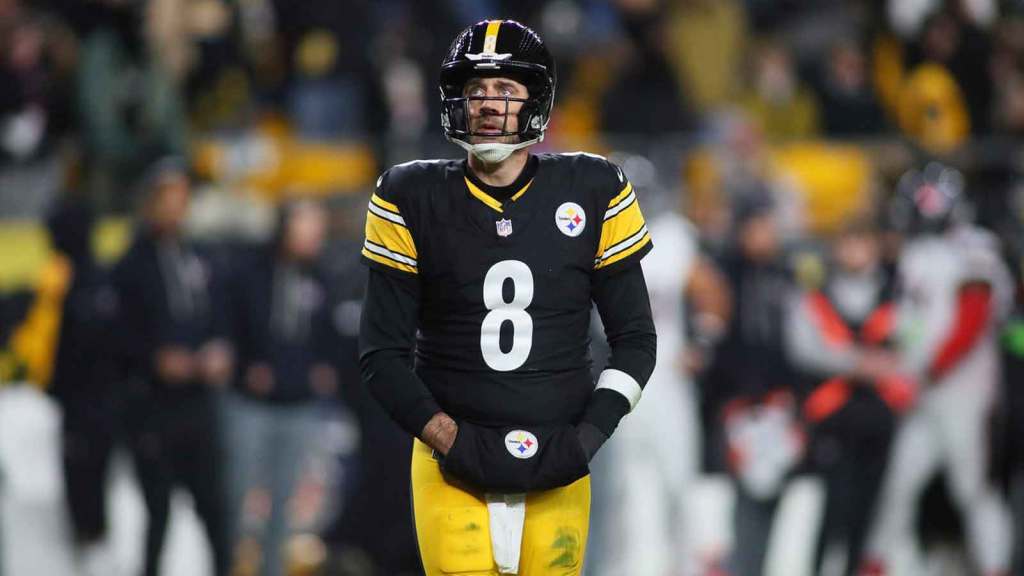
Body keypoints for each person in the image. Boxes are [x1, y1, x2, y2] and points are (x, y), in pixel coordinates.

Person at [358, 19, 656, 576]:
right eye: (476, 91)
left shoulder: (594, 188)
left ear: (536, 101)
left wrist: (586, 437)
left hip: (558, 454)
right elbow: (381, 355)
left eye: (505, 90)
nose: (489, 105)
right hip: (450, 458)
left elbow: (636, 340)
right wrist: (448, 437)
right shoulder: (409, 194)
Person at [861, 163, 1014, 576]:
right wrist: (894, 357)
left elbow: (972, 317)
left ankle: (995, 567)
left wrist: (927, 371)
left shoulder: (973, 246)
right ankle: (875, 566)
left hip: (964, 391)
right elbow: (912, 322)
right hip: (925, 388)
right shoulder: (919, 252)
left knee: (973, 489)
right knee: (898, 484)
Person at [111, 158, 233, 576]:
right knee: (158, 509)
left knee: (217, 509)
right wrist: (154, 359)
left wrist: (221, 349)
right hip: (152, 406)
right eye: (167, 198)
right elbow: (115, 336)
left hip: (199, 401)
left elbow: (218, 314)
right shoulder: (129, 265)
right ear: (148, 203)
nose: (176, 207)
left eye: (182, 198)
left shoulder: (199, 255)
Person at [785, 221, 912, 576]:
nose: (855, 251)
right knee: (831, 507)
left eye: (863, 241)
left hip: (879, 415)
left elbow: (914, 337)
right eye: (848, 241)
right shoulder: (818, 293)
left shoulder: (896, 291)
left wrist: (890, 364)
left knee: (868, 510)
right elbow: (803, 347)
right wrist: (859, 363)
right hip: (835, 416)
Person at [225, 199, 339, 576]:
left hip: (299, 404)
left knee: (284, 500)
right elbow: (229, 328)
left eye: (317, 227)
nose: (314, 235)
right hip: (250, 404)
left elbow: (329, 336)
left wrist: (324, 368)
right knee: (236, 495)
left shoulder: (322, 278)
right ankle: (225, 565)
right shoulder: (250, 272)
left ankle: (271, 570)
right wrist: (245, 368)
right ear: (285, 227)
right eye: (306, 225)